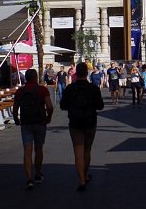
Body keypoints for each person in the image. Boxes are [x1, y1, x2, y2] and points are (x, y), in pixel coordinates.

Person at [60, 63, 104, 192]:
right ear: (87, 73)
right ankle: (85, 174)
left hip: (75, 122)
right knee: (87, 150)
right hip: (90, 121)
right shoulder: (93, 88)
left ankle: (81, 180)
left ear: (76, 73)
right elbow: (100, 106)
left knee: (78, 152)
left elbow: (63, 105)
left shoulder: (69, 89)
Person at [13, 68, 54, 189]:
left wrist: (16, 119)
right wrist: (48, 117)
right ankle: (37, 174)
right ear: (36, 77)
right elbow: (50, 106)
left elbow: (15, 109)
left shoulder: (20, 91)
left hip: (26, 123)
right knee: (39, 148)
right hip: (40, 122)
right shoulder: (42, 90)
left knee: (27, 150)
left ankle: (29, 179)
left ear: (26, 78)